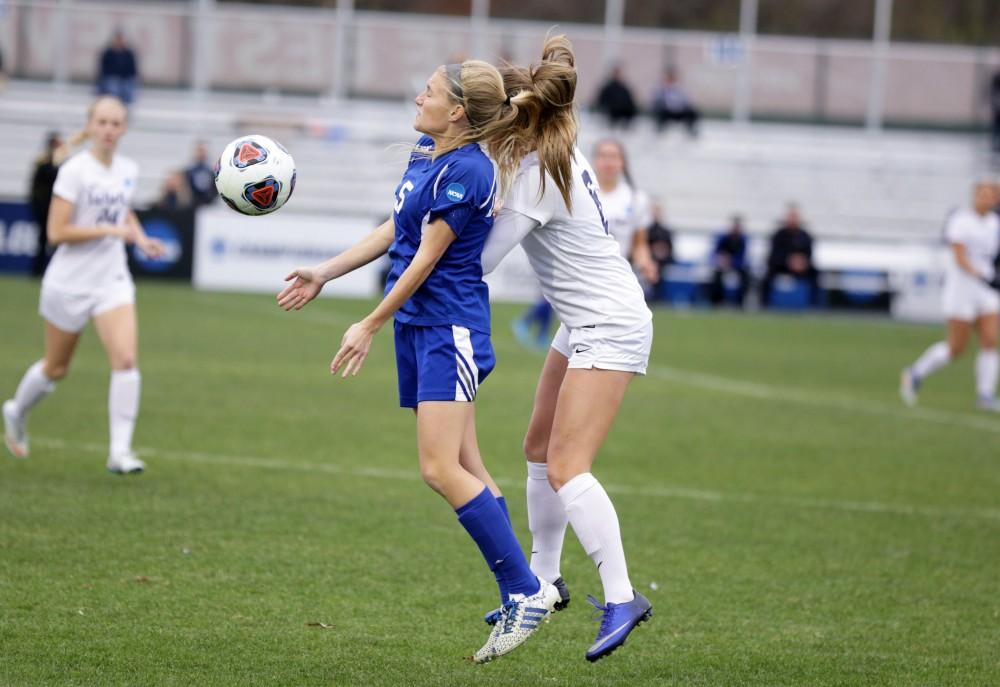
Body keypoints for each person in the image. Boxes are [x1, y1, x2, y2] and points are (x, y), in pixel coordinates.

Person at [275, 58, 559, 663]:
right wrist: (324, 272)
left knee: (438, 468)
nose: (417, 98)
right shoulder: (425, 154)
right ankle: (526, 587)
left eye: (427, 92)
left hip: (448, 332)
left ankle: (525, 590)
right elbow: (393, 230)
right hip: (422, 329)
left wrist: (369, 324)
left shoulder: (468, 171)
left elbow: (425, 259)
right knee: (465, 464)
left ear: (456, 110)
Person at [482, 34, 654, 663]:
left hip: (607, 321)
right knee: (536, 446)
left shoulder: (537, 174)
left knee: (566, 465)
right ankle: (546, 582)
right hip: (583, 319)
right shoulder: (555, 153)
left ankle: (622, 596)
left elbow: (483, 261)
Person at [3, 96, 166, 473]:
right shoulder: (75, 170)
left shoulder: (128, 168)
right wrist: (111, 230)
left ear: (124, 129)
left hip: (112, 280)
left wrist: (139, 238)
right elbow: (56, 232)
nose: (109, 130)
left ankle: (120, 452)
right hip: (69, 283)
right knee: (56, 368)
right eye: (103, 122)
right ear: (91, 126)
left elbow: (123, 209)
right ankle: (16, 410)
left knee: (126, 360)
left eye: (116, 123)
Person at [901, 181, 1000, 411]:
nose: (986, 199)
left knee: (990, 340)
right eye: (982, 194)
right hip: (961, 289)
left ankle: (985, 395)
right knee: (956, 348)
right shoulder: (961, 221)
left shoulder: (995, 224)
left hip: (985, 291)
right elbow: (960, 256)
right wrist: (981, 275)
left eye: (991, 195)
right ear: (974, 196)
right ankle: (915, 372)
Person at [592, 139, 659, 287]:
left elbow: (639, 244)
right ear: (595, 161)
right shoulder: (581, 195)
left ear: (622, 162)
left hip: (617, 276)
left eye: (613, 156)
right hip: (583, 273)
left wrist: (646, 263)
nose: (608, 162)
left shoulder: (636, 199)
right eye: (603, 156)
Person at [28, 131, 83, 277]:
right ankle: (37, 271)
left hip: (57, 208)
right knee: (44, 239)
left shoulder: (65, 163)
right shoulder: (44, 163)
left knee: (57, 242)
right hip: (43, 207)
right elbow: (51, 175)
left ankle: (55, 271)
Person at [761, 204, 817, 307]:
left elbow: (809, 254)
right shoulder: (779, 234)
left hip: (800, 267)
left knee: (815, 274)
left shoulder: (805, 235)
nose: (792, 220)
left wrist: (801, 262)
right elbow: (773, 254)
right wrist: (788, 261)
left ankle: (813, 304)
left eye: (795, 217)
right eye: (791, 217)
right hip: (781, 266)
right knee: (767, 275)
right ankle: (764, 303)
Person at [709, 215, 749, 307]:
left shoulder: (742, 240)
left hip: (736, 265)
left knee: (745, 276)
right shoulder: (723, 238)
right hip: (722, 265)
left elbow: (742, 257)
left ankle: (740, 303)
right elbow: (714, 253)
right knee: (717, 275)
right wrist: (720, 260)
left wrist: (731, 261)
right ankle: (717, 302)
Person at [652, 67, 700, 137]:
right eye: (669, 76)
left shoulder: (680, 88)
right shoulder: (660, 88)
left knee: (691, 112)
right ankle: (660, 127)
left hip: (680, 112)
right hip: (667, 112)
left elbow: (687, 101)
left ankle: (690, 128)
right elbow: (656, 100)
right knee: (660, 111)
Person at [97, 31, 138, 105]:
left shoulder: (129, 53)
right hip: (112, 78)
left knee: (127, 90)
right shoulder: (108, 53)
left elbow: (133, 70)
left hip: (125, 79)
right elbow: (104, 69)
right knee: (113, 88)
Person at [185, 141, 217, 207]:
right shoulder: (189, 172)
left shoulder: (212, 172)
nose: (201, 154)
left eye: (202, 151)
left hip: (209, 204)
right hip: (193, 205)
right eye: (199, 151)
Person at [991, 70, 1000, 153]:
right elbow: (994, 93)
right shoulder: (997, 77)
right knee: (996, 125)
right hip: (997, 108)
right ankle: (994, 143)